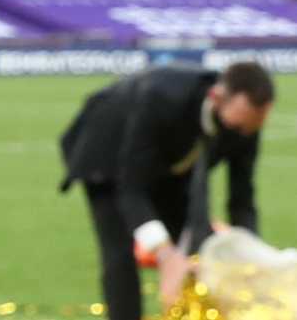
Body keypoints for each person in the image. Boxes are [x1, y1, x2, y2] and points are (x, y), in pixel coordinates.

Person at [60, 61, 276, 320]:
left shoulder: (246, 124)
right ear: (216, 98)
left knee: (197, 245)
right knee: (119, 252)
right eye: (238, 127)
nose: (244, 134)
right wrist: (166, 256)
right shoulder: (162, 99)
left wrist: (249, 256)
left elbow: (241, 199)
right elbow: (131, 188)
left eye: (253, 126)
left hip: (171, 161)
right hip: (106, 155)